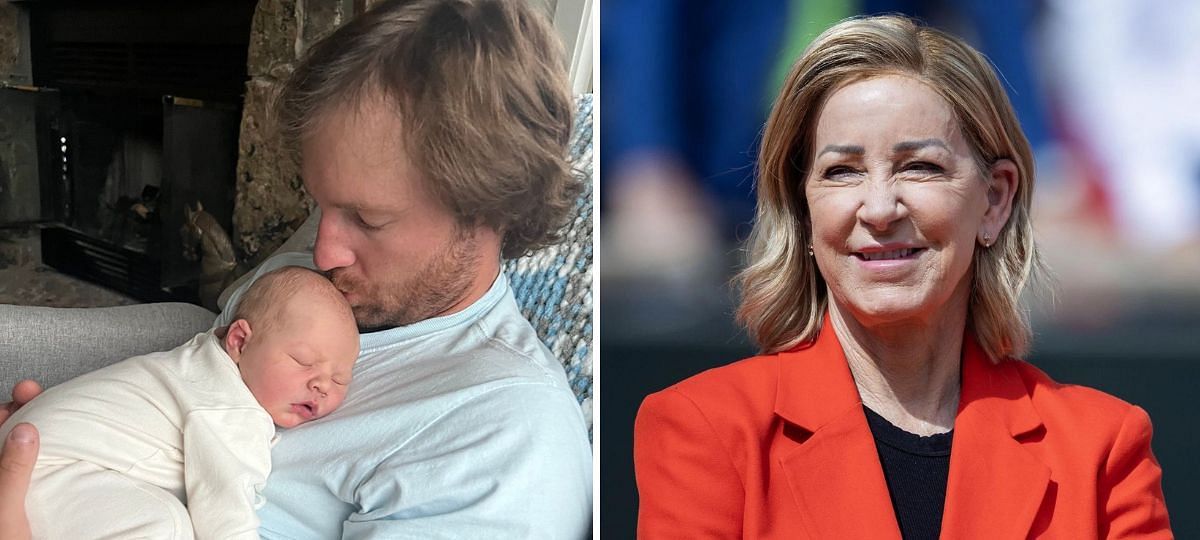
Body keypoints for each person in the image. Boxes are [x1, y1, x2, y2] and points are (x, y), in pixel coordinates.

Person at [0, 0, 593, 538]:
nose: (323, 252)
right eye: (321, 204)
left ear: (491, 205)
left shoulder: (506, 444)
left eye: (367, 218)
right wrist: (76, 435)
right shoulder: (316, 279)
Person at [633, 15, 1172, 539]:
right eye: (841, 172)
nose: (880, 208)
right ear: (803, 207)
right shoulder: (705, 429)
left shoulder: (1101, 446)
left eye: (920, 167)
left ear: (995, 198)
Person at [0, 265, 359, 539]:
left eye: (340, 377)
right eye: (304, 361)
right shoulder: (231, 409)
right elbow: (224, 516)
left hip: (34, 454)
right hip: (45, 474)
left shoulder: (199, 358)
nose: (322, 385)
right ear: (239, 340)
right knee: (168, 524)